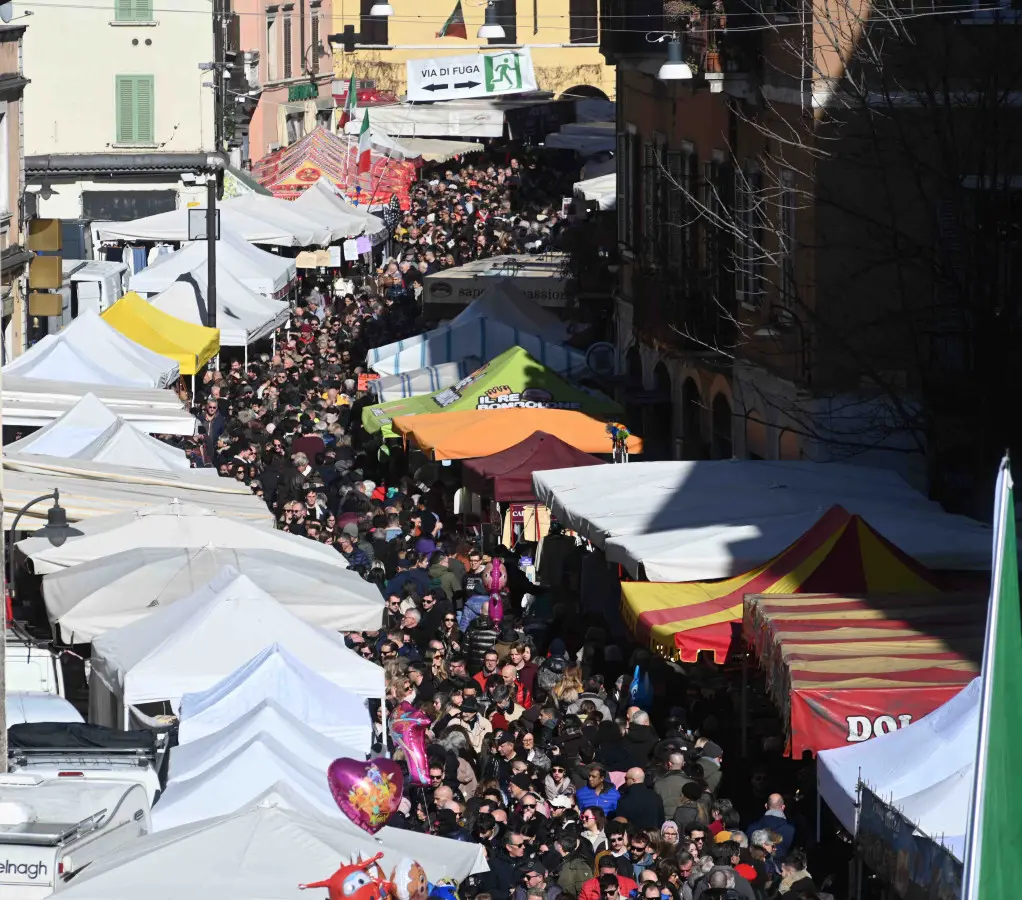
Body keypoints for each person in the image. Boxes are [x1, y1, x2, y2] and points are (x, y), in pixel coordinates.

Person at [745, 794, 796, 862]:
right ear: (783, 807)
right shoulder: (791, 830)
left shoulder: (752, 828)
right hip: (779, 867)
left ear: (766, 806)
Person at [615, 767, 665, 831]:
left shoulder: (624, 800)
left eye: (626, 779)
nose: (625, 781)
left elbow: (621, 823)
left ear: (634, 780)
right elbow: (661, 820)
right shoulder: (656, 797)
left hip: (633, 835)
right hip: (653, 835)